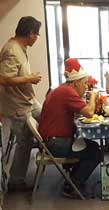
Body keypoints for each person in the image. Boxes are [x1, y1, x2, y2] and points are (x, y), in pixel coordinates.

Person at [38, 58, 100, 198]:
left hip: (50, 140)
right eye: (84, 84)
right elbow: (89, 113)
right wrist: (93, 97)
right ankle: (73, 185)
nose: (85, 87)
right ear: (76, 82)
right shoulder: (67, 92)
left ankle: (72, 179)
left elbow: (77, 112)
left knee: (88, 145)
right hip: (55, 144)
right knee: (95, 151)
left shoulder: (63, 89)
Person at [1, 16, 44, 191]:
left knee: (47, 115)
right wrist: (29, 78)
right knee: (25, 140)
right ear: (31, 33)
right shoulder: (11, 49)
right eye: (37, 35)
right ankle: (16, 181)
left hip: (27, 100)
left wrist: (28, 78)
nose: (37, 38)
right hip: (18, 105)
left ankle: (56, 152)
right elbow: (3, 79)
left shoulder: (20, 47)